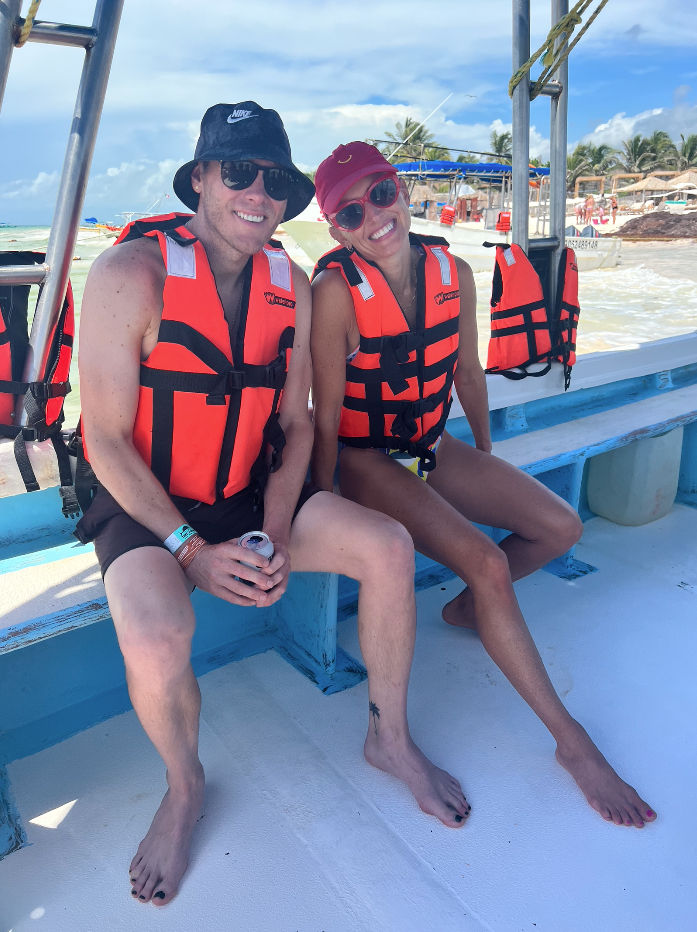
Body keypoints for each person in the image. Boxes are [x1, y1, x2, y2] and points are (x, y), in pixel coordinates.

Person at [76, 106, 470, 908]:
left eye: (273, 180)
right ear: (199, 180)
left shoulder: (290, 283)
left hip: (249, 494)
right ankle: (184, 787)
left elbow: (296, 423)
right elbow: (107, 441)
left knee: (388, 546)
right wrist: (189, 548)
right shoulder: (129, 275)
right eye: (237, 172)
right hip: (145, 507)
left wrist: (278, 529)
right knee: (157, 634)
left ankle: (387, 740)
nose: (257, 193)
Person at [310, 141, 657, 832]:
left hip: (428, 445)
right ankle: (571, 742)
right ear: (335, 229)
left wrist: (489, 463)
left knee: (559, 526)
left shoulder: (452, 269)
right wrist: (323, 500)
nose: (373, 216)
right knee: (489, 560)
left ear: (399, 189)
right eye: (351, 212)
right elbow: (322, 416)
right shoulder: (334, 294)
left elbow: (466, 374)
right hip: (363, 456)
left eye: (381, 194)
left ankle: (469, 612)